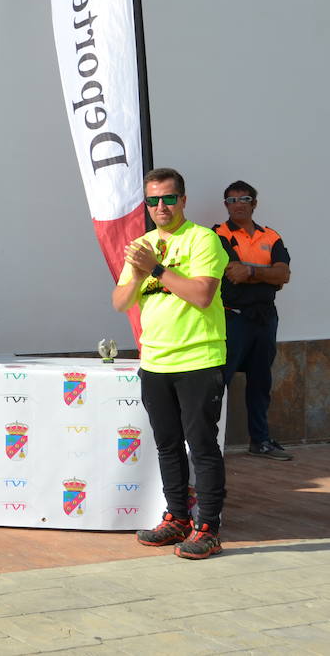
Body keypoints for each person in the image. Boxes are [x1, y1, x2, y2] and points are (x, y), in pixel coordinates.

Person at [112, 167, 227, 559]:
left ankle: (208, 526)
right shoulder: (142, 245)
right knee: (167, 446)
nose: (161, 206)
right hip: (155, 360)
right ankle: (177, 517)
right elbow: (120, 302)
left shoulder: (203, 239)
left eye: (168, 198)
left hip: (199, 358)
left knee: (202, 446)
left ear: (183, 199)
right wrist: (139, 273)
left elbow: (201, 295)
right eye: (153, 200)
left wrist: (157, 269)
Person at [213, 180, 293, 461]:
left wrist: (251, 271)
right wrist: (265, 274)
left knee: (261, 382)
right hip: (232, 317)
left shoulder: (271, 236)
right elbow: (233, 274)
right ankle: (211, 445)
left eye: (244, 198)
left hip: (265, 319)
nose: (238, 204)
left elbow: (283, 275)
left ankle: (260, 441)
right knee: (219, 382)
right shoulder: (217, 234)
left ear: (254, 203)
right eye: (231, 200)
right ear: (226, 205)